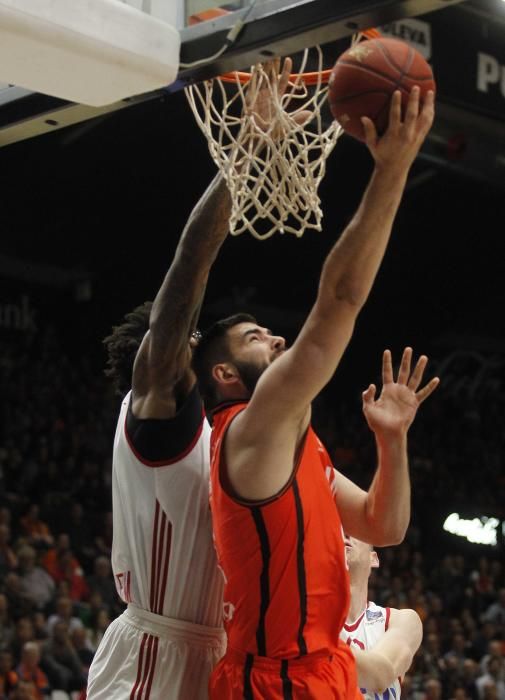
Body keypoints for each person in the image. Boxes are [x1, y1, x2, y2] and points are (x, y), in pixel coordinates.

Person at [192, 85, 437, 698]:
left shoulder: (297, 444)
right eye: (254, 337)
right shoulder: (251, 430)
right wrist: (391, 169)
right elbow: (340, 304)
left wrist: (392, 441)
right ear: (225, 375)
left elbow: (385, 527)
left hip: (321, 667)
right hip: (273, 680)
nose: (274, 338)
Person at [87, 59, 297, 699]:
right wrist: (244, 153)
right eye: (256, 336)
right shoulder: (161, 421)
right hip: (154, 656)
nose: (278, 339)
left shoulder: (237, 440)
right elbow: (184, 278)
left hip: (217, 661)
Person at [341, 536, 422, 698]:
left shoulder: (400, 620)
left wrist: (315, 647)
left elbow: (381, 675)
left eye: (357, 531)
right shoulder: (304, 618)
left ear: (374, 559)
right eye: (340, 530)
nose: (346, 534)